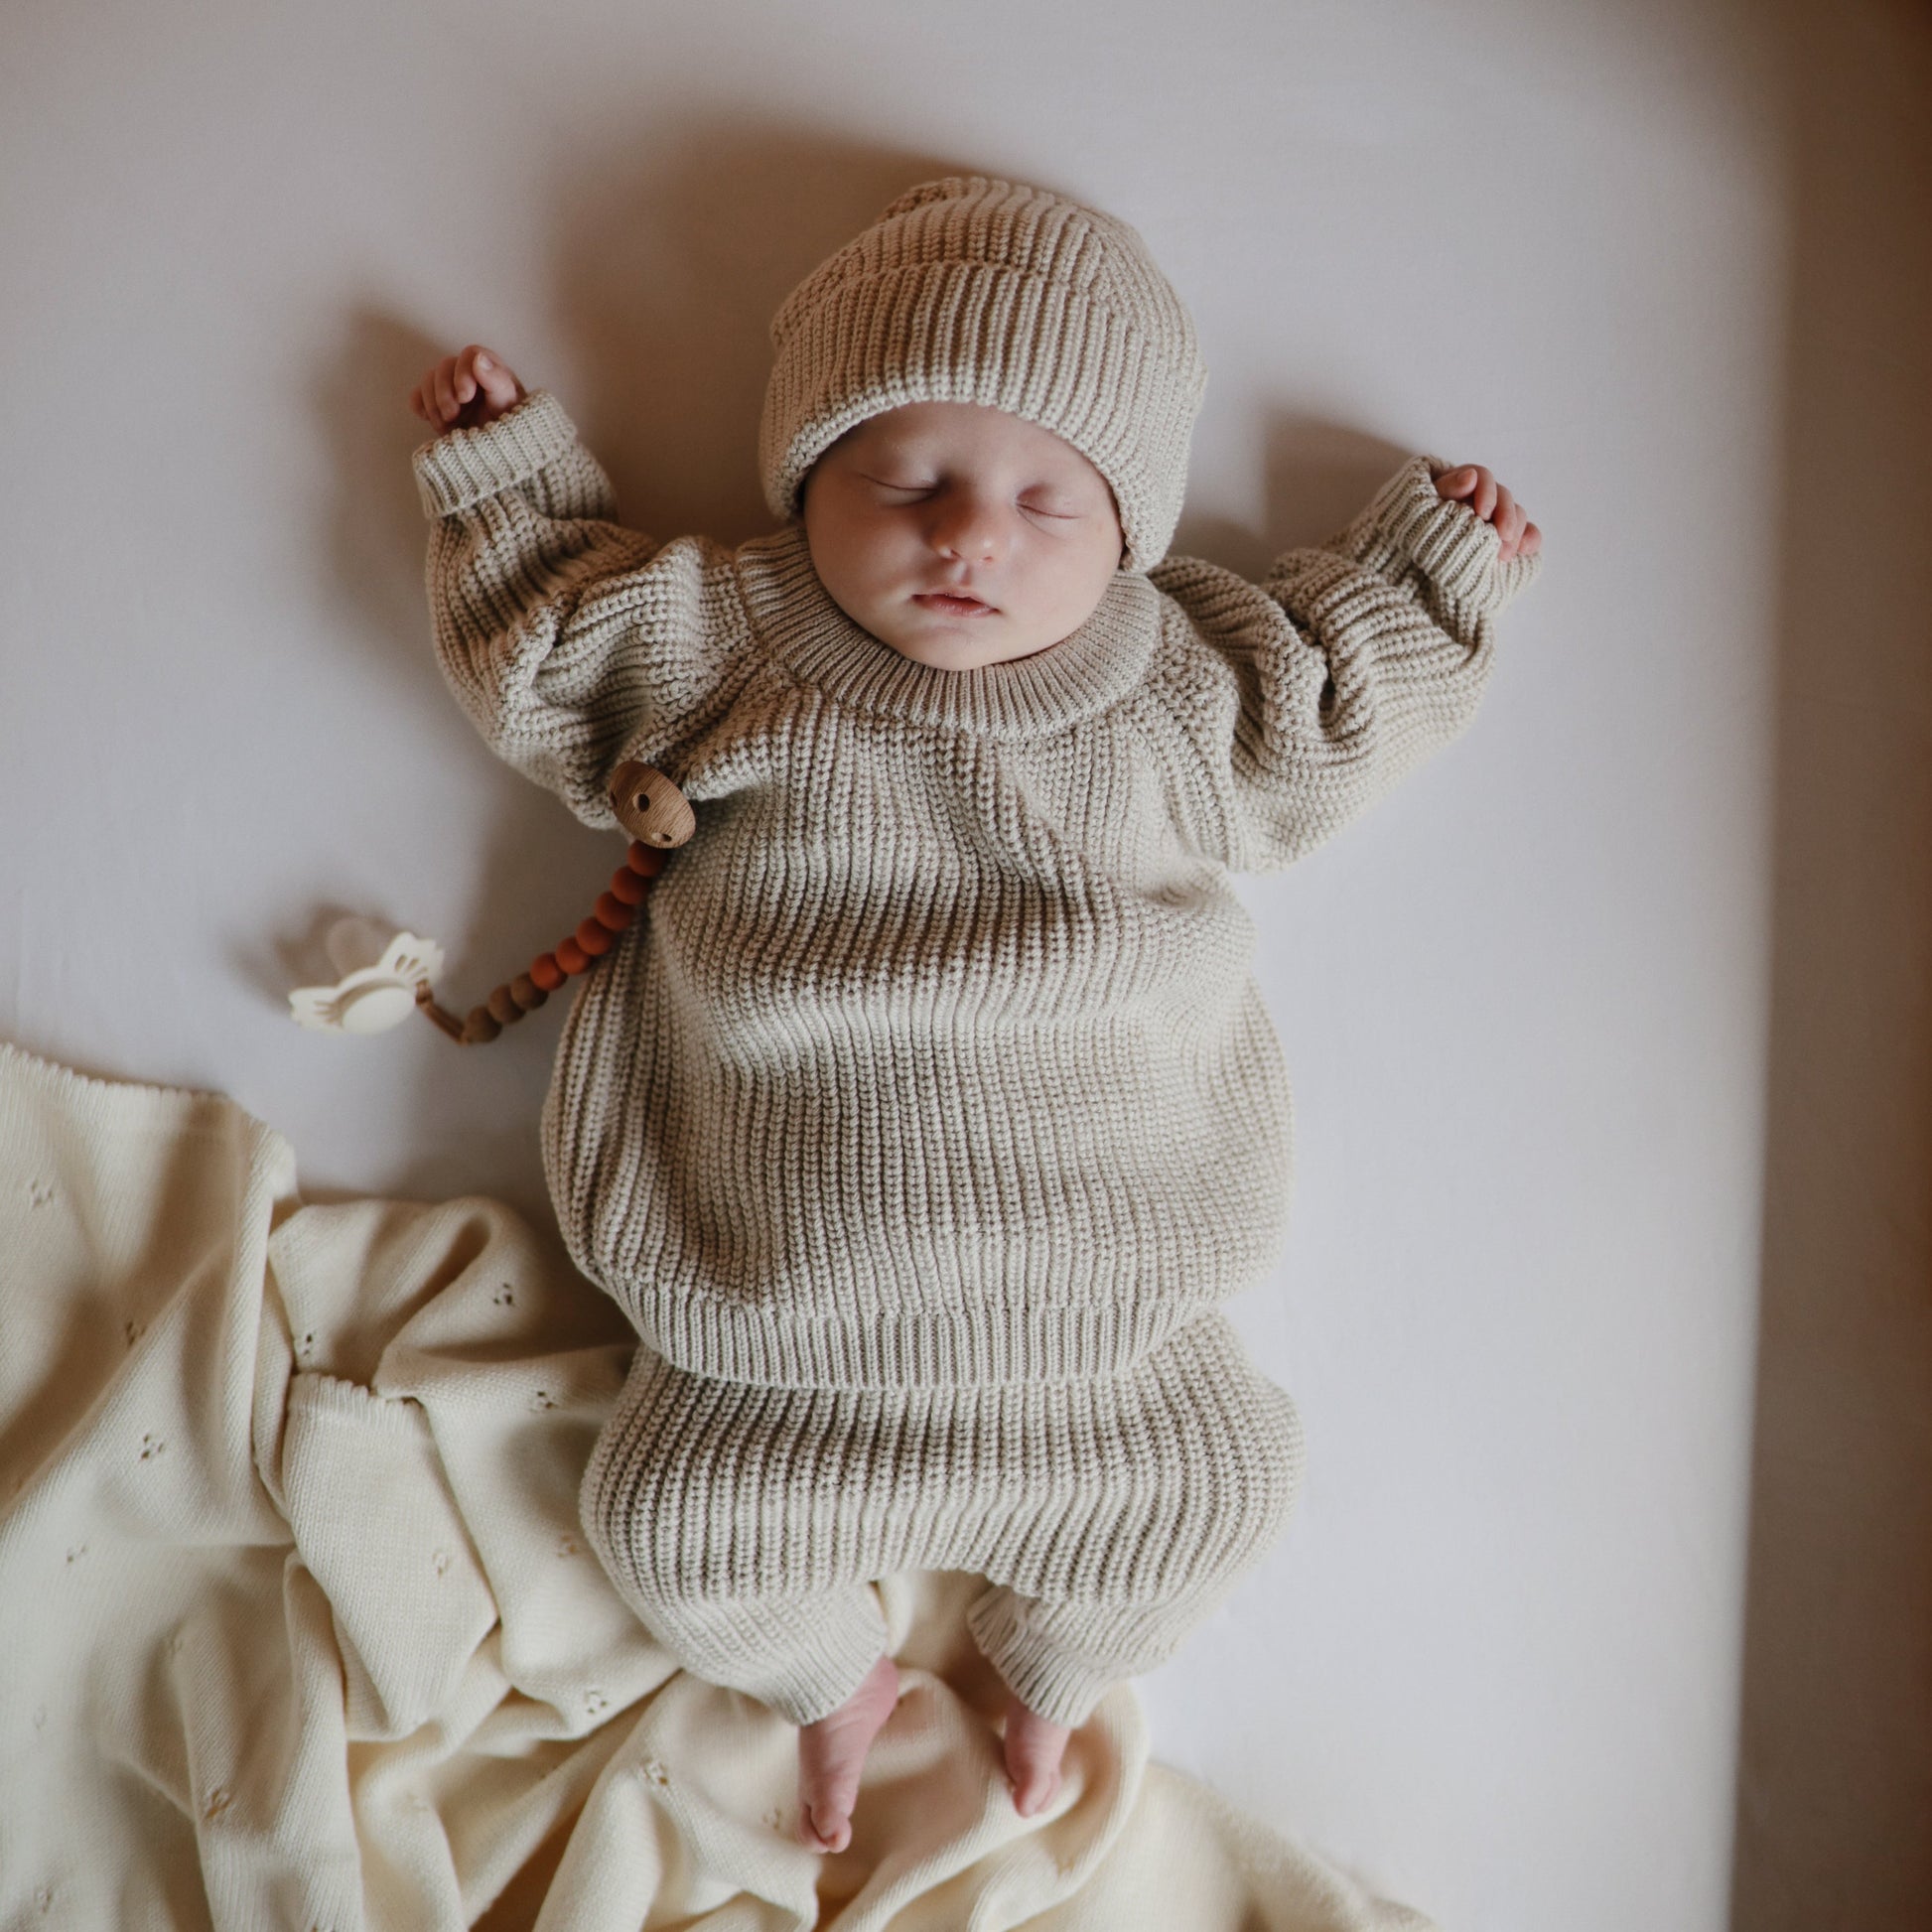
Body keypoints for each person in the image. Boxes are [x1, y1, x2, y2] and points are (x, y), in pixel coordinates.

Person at [406, 175, 1542, 1856]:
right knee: (666, 1529)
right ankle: (832, 1687)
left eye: (1042, 498)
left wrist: (1428, 576)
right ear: (806, 481)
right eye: (905, 480)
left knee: (1225, 1492)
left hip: (1106, 1359)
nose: (967, 536)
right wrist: (507, 484)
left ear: (1129, 530)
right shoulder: (727, 641)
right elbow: (555, 654)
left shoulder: (1172, 683)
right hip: (771, 1354)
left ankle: (1055, 1672)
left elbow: (1325, 712)